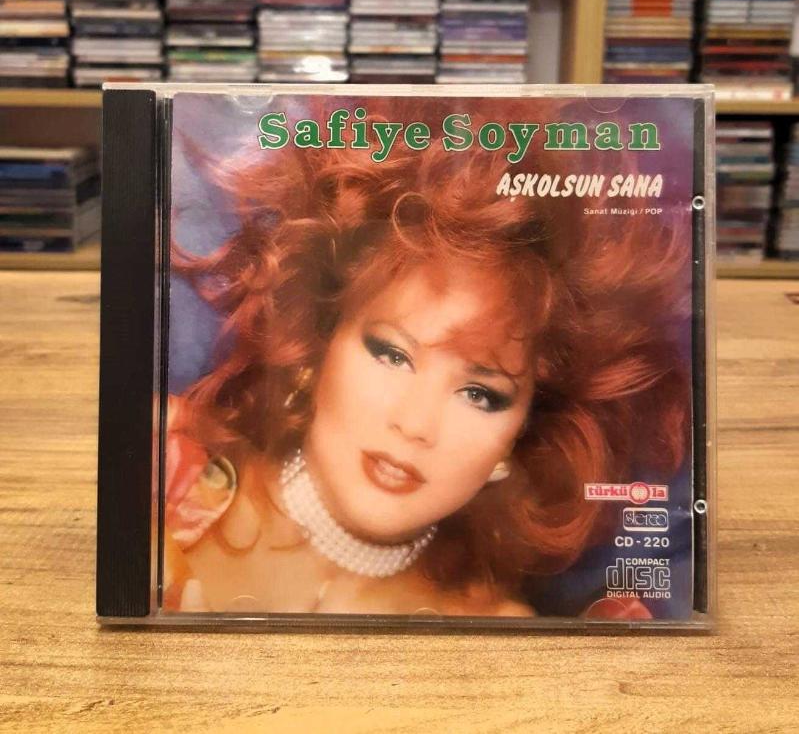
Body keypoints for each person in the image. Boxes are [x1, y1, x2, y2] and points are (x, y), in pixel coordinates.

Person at [163, 97, 691, 618]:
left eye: (479, 395)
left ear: (520, 436)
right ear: (315, 348)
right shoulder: (160, 468)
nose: (416, 425)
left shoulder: (496, 634)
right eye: (392, 354)